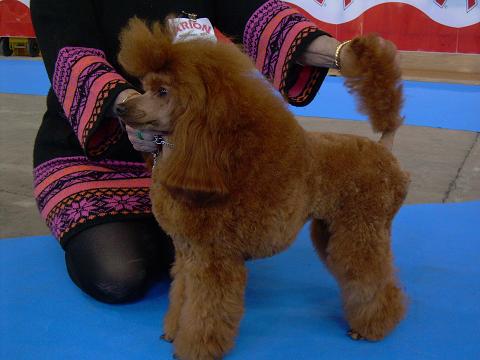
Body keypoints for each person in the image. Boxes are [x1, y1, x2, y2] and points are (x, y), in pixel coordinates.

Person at [30, 0, 364, 304]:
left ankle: (172, 238)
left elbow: (262, 17)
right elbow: (72, 60)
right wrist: (131, 107)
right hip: (93, 158)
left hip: (193, 155)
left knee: (215, 245)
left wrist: (341, 53)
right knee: (119, 276)